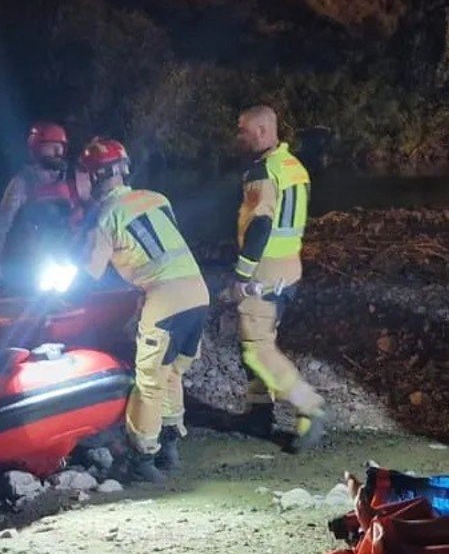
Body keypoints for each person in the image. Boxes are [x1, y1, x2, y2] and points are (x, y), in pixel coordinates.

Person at [76, 137, 209, 483]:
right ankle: (169, 448)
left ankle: (141, 460)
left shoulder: (104, 217)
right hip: (198, 294)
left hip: (164, 299)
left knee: (149, 382)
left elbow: (88, 274)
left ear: (92, 177)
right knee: (172, 373)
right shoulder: (157, 199)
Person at [232, 105, 329, 452]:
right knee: (263, 339)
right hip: (290, 268)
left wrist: (242, 273)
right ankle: (260, 409)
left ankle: (308, 406)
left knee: (255, 346)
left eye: (243, 130)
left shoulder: (261, 171)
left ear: (261, 131)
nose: (238, 136)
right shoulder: (293, 166)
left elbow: (261, 224)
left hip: (266, 269)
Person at [0, 121, 84, 288]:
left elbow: (86, 215)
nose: (58, 152)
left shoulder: (72, 180)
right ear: (37, 147)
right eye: (52, 146)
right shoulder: (22, 182)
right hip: (34, 261)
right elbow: (3, 224)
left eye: (61, 146)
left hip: (70, 258)